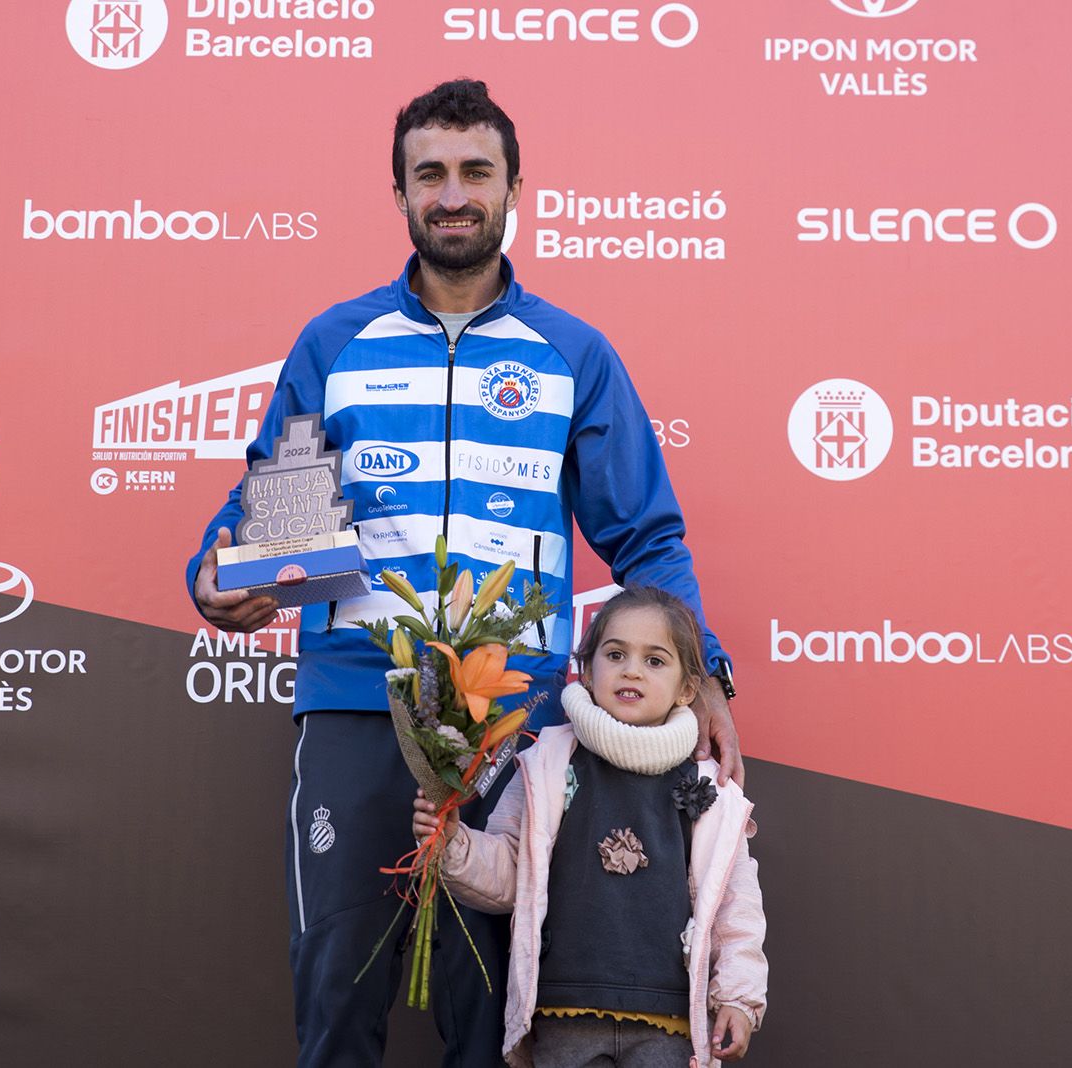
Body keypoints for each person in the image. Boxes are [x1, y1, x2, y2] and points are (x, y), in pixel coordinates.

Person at [187, 79, 742, 1068]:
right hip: (359, 704)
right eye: (429, 174)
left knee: (495, 1021)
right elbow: (271, 521)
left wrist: (704, 681)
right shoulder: (334, 341)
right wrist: (219, 581)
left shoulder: (574, 353)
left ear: (513, 187)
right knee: (334, 996)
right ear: (398, 194)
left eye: (474, 172)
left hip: (515, 725)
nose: (452, 194)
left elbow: (648, 541)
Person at [413, 587, 766, 1067]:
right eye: (615, 654)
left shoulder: (712, 789)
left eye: (655, 660)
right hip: (564, 1016)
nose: (632, 670)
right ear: (586, 669)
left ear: (688, 688)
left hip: (669, 1024)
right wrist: (451, 841)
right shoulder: (546, 764)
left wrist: (739, 999)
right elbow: (509, 873)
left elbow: (735, 910)